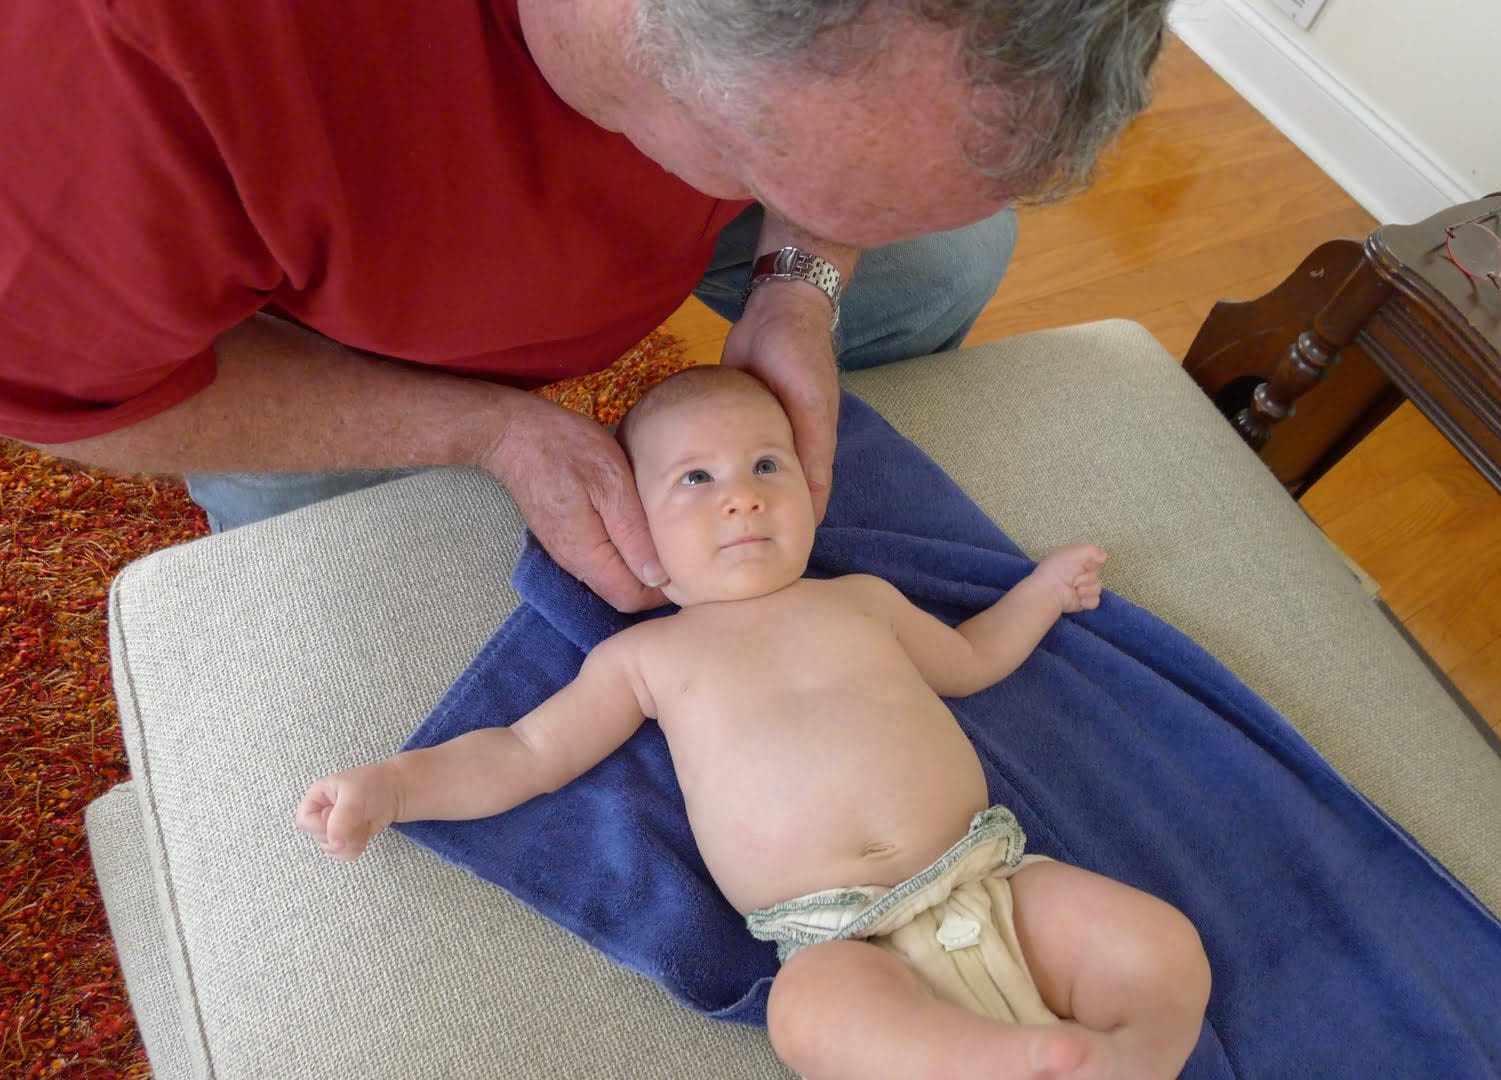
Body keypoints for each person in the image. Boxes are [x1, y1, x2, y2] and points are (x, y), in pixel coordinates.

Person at [1, 1, 1168, 613]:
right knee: (342, 586)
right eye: (764, 180)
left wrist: (801, 280)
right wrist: (484, 429)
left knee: (956, 263)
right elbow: (83, 404)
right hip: (310, 340)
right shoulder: (115, 64)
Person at [296, 366, 1211, 1079]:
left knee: (1158, 946)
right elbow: (525, 752)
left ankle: (1134, 1058)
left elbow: (971, 661)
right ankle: (986, 1061)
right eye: (695, 478)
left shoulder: (862, 599)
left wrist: (1042, 593)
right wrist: (394, 786)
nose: (742, 494)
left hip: (996, 883)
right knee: (807, 1018)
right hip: (834, 941)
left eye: (766, 465)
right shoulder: (647, 660)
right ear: (633, 534)